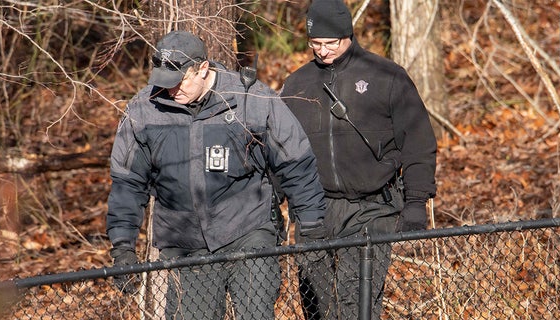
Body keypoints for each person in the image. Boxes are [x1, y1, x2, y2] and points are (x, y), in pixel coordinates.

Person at [106, 30, 327, 319]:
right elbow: (127, 184)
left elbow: (296, 162)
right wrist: (122, 246)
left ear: (203, 69)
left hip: (248, 230)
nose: (171, 91)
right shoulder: (144, 110)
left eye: (179, 81)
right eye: (164, 83)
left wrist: (311, 224)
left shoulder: (251, 98)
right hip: (184, 243)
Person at [280, 0, 437, 319]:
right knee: (317, 305)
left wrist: (416, 201)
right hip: (315, 208)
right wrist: (273, 202)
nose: (322, 51)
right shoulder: (296, 85)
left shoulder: (385, 75)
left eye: (329, 43)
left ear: (347, 35)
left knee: (356, 302)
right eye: (315, 43)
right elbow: (281, 150)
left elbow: (418, 141)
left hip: (372, 207)